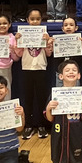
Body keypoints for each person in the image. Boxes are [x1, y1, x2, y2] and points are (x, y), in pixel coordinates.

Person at [45, 59, 82, 163]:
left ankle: (78, 157)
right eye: (67, 70)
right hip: (59, 132)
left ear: (79, 75)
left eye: (74, 70)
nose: (71, 72)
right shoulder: (55, 95)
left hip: (76, 132)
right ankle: (59, 159)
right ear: (61, 76)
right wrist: (49, 108)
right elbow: (50, 119)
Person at [16, 8, 52, 139]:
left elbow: (49, 53)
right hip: (26, 69)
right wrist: (17, 41)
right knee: (28, 99)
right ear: (27, 20)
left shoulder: (44, 34)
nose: (35, 21)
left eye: (37, 19)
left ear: (41, 20)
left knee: (42, 98)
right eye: (32, 19)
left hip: (41, 68)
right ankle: (29, 126)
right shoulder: (22, 34)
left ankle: (42, 125)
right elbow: (19, 54)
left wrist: (48, 42)